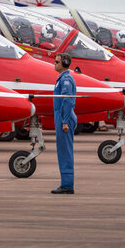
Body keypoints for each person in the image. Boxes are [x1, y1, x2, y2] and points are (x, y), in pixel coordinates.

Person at [51, 53, 77, 194]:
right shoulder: (61, 79)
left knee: (65, 151)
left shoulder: (66, 79)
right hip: (61, 116)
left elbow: (67, 100)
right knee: (63, 150)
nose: (54, 63)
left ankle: (67, 185)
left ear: (65, 63)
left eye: (57, 61)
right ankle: (66, 182)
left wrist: (65, 121)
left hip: (63, 118)